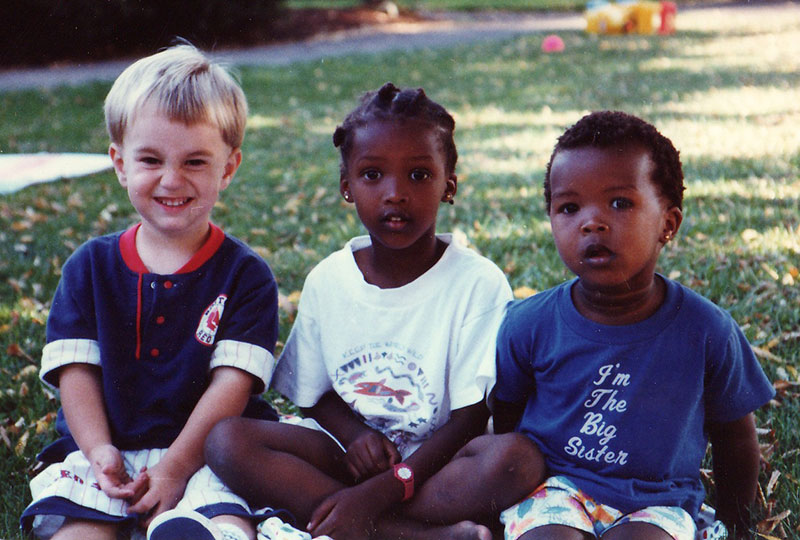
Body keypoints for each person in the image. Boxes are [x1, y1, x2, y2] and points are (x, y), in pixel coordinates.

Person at [205, 82, 542, 540]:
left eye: (419, 175)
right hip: (351, 456)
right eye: (372, 175)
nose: (395, 193)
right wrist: (355, 437)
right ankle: (412, 536)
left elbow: (468, 418)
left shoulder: (476, 283)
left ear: (450, 184)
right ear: (347, 186)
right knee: (227, 441)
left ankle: (361, 519)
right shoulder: (329, 280)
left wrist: (387, 487)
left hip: (436, 463)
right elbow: (312, 393)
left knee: (515, 460)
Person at [20, 43, 289, 540]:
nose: (171, 179)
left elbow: (231, 388)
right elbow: (75, 373)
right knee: (78, 533)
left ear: (227, 168)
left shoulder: (245, 275)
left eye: (194, 162)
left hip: (206, 453)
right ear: (120, 163)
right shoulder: (90, 268)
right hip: (106, 450)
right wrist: (99, 450)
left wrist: (176, 469)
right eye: (150, 159)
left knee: (224, 527)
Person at [490, 110, 775, 540]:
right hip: (555, 490)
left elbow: (736, 439)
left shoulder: (706, 330)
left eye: (619, 203)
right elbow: (506, 417)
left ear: (668, 223)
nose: (591, 221)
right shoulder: (529, 323)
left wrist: (736, 522)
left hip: (658, 501)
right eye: (569, 207)